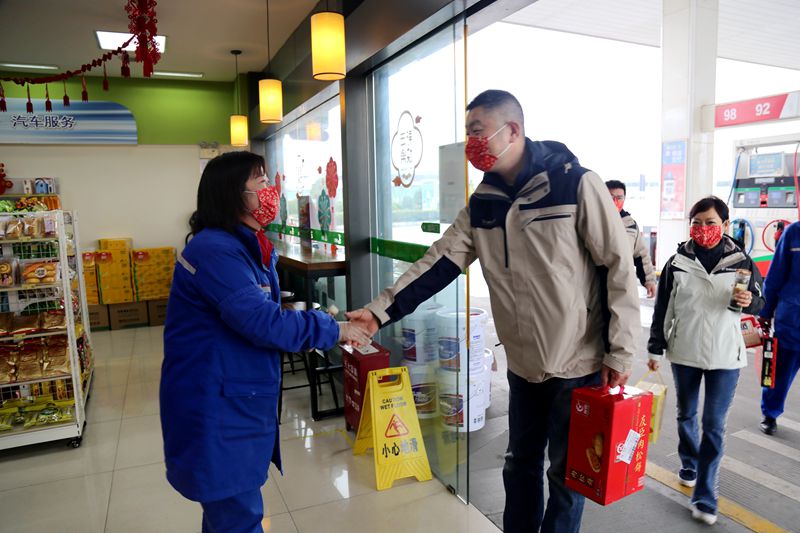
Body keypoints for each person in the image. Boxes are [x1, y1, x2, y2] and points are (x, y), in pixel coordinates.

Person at [347, 89, 640, 533]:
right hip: (522, 365)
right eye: (468, 133)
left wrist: (621, 350)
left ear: (513, 130)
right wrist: (378, 312)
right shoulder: (484, 202)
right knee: (519, 465)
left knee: (567, 477)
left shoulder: (576, 184)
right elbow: (440, 260)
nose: (472, 143)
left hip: (577, 361)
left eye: (477, 131)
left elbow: (618, 267)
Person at [160, 151, 369, 533]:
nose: (270, 191)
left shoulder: (244, 244)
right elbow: (264, 322)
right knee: (237, 517)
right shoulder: (215, 251)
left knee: (227, 514)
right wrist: (335, 329)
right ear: (232, 194)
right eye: (260, 183)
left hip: (233, 397)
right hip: (216, 405)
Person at [647, 196, 764, 526]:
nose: (703, 228)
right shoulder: (677, 262)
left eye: (710, 222)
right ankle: (689, 462)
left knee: (713, 425)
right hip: (684, 351)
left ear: (725, 225)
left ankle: (705, 494)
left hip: (726, 355)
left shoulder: (741, 261)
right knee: (686, 414)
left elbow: (760, 302)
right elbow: (663, 309)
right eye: (696, 223)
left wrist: (749, 300)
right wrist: (655, 348)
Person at [757, 220, 800, 436]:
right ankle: (770, 413)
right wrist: (765, 312)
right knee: (781, 371)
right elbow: (775, 276)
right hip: (792, 319)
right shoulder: (794, 233)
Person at [605, 179, 657, 298]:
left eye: (619, 198)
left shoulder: (630, 225)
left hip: (621, 283)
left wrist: (649, 280)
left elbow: (641, 255)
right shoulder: (591, 220)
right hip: (594, 282)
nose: (615, 201)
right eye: (610, 197)